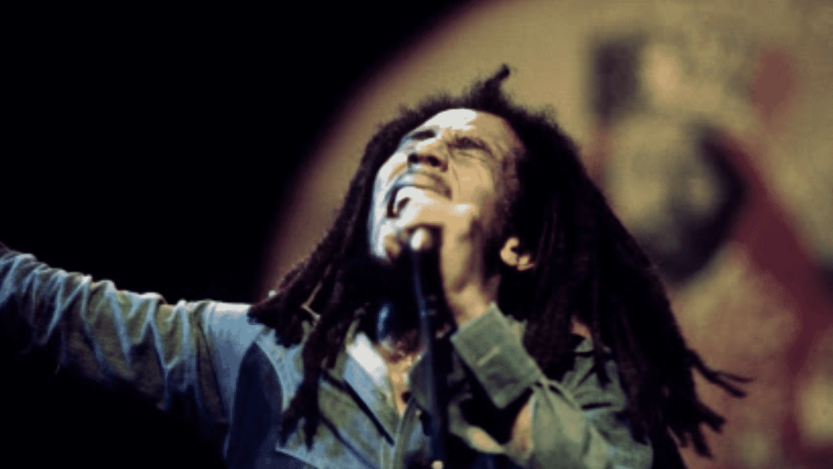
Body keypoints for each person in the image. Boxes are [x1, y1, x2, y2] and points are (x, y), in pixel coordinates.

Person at [0, 66, 745, 469]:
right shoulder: (268, 352)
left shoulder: (583, 385)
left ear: (518, 246)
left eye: (466, 149)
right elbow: (58, 309)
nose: (425, 151)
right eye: (411, 143)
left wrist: (470, 317)